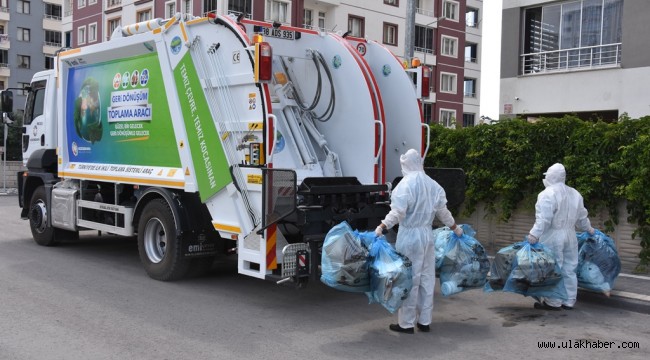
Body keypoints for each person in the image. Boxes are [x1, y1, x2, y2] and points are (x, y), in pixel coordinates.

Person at [375, 149, 463, 334]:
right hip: (426, 235)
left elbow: (397, 213)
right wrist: (455, 227)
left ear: (406, 164)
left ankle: (406, 323)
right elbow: (443, 212)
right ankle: (424, 321)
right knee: (427, 278)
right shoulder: (433, 185)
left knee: (409, 279)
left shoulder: (404, 185)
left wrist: (382, 226)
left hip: (409, 237)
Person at [526, 163, 595, 311]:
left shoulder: (547, 194)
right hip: (571, 235)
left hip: (553, 235)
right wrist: (588, 229)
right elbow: (582, 217)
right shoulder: (575, 194)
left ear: (551, 176)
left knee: (553, 267)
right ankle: (569, 301)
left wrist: (534, 234)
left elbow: (544, 219)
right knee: (569, 268)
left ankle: (553, 302)